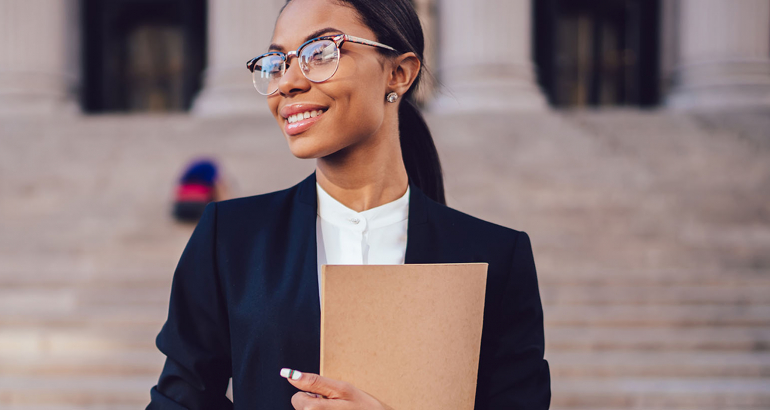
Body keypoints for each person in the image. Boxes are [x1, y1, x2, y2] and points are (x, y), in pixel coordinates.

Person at [147, 0, 551, 408]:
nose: (287, 81)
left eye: (320, 53)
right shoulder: (229, 239)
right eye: (277, 61)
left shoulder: (495, 257)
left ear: (399, 73)